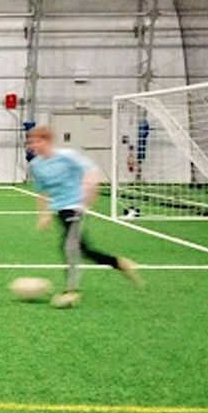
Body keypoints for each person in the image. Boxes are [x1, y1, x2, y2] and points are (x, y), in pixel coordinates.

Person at [27, 125, 142, 308]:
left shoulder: (67, 156)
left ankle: (71, 292)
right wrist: (43, 215)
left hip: (75, 206)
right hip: (60, 209)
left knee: (69, 247)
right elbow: (42, 191)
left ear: (47, 141)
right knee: (83, 249)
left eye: (36, 141)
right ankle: (119, 263)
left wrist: (87, 197)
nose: (32, 145)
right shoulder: (36, 165)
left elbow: (91, 171)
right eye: (31, 142)